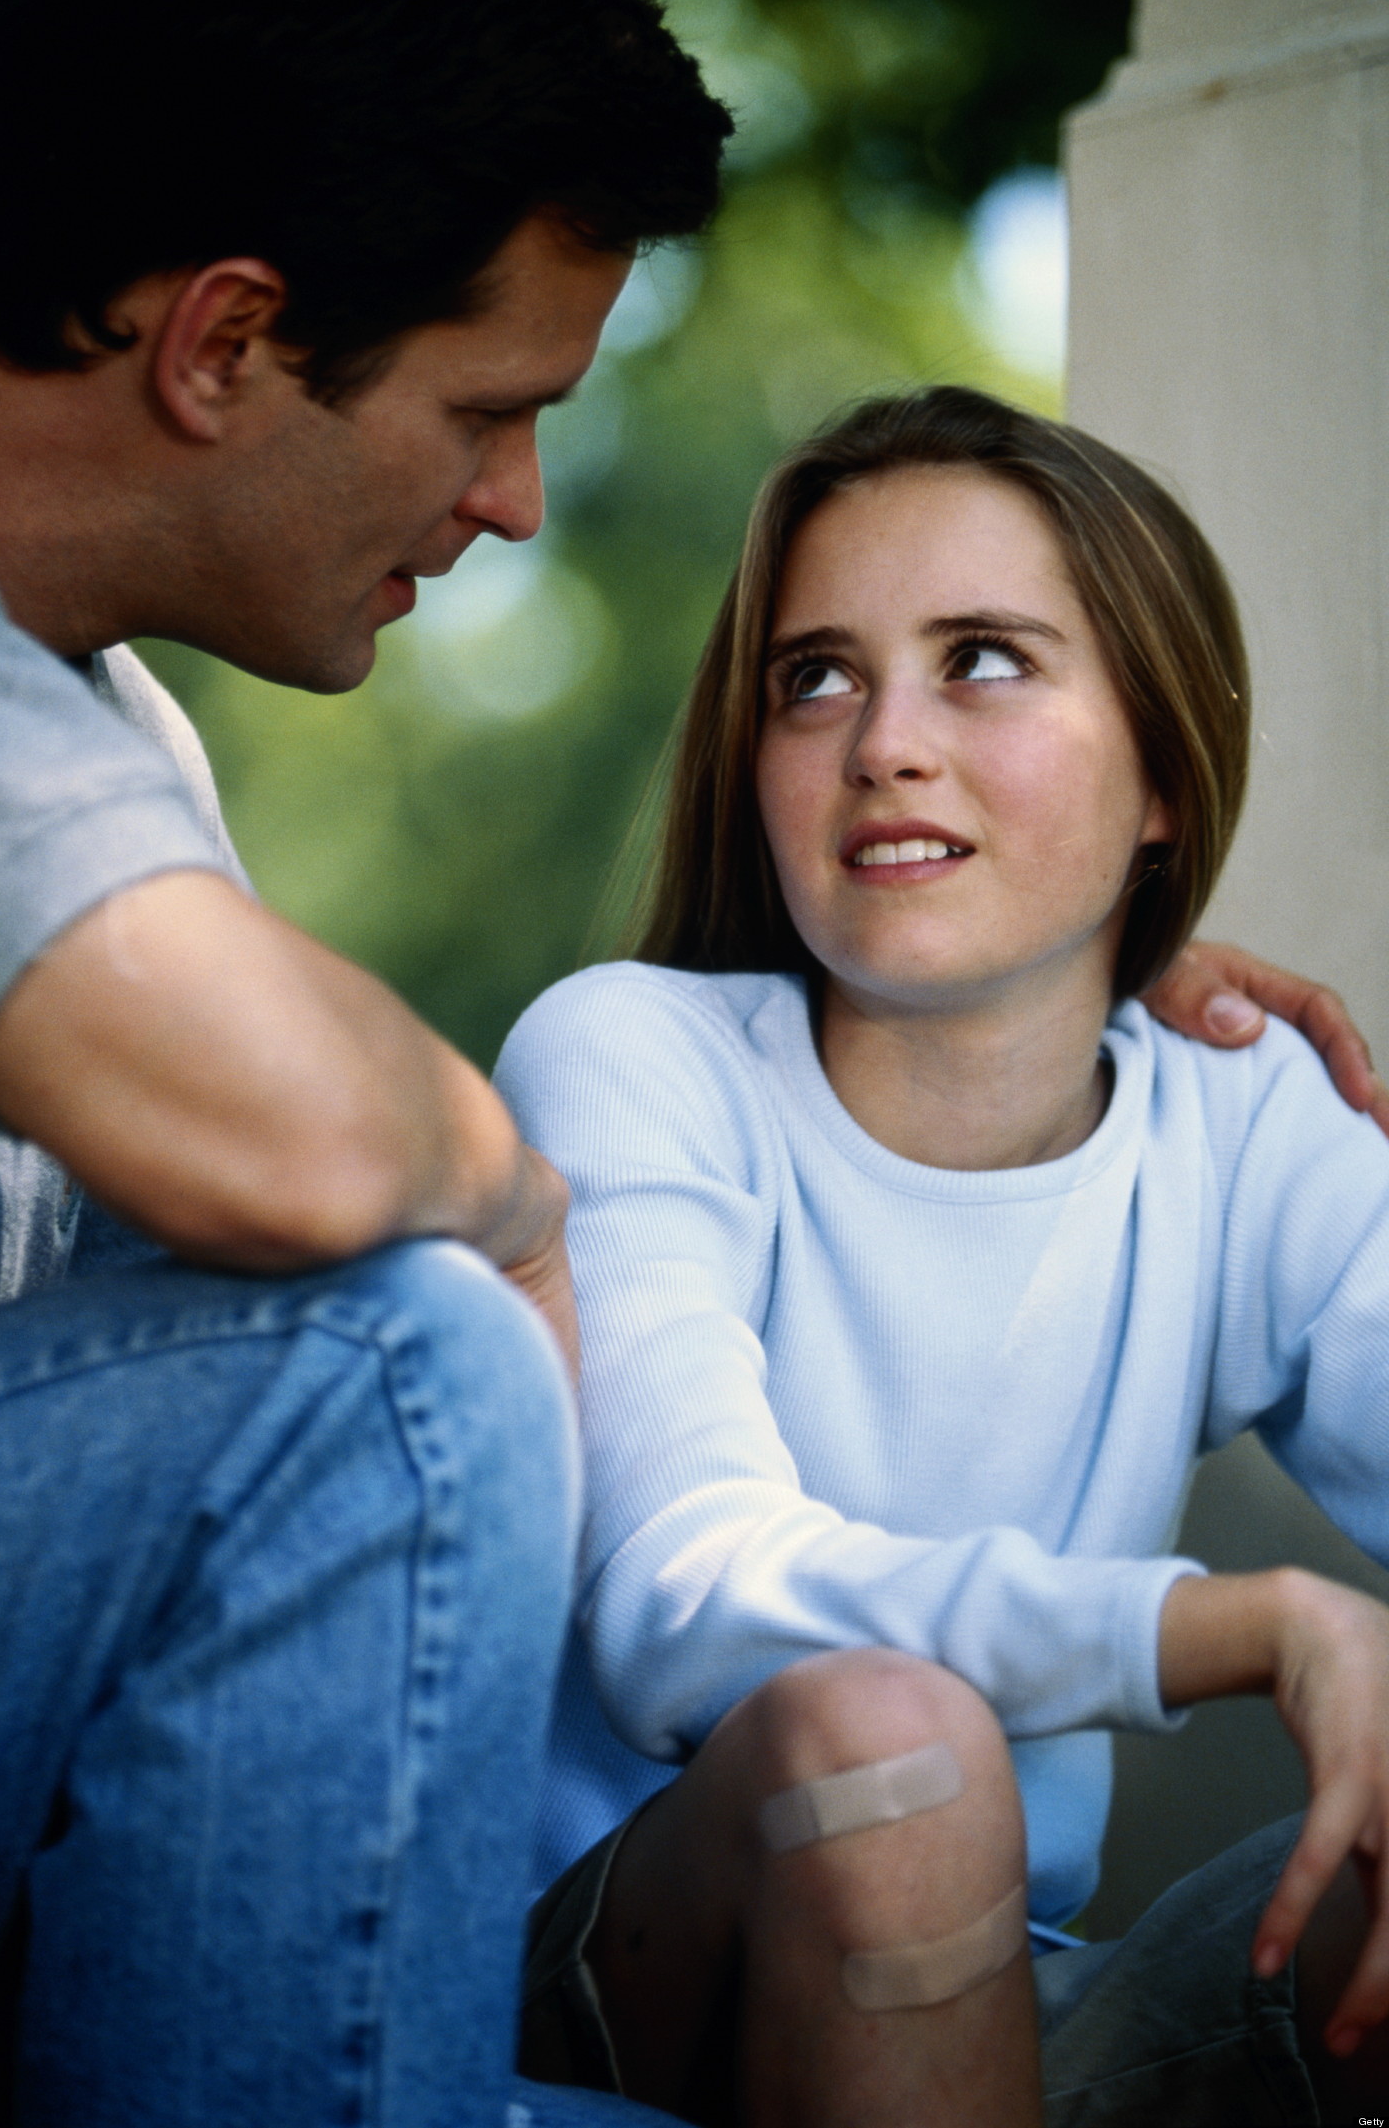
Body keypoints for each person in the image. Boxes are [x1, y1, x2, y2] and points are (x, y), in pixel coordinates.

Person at [0, 0, 735, 2119]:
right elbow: (327, 1159)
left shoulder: (105, 736)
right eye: (489, 407)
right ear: (230, 338)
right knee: (392, 1362)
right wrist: (516, 1200)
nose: (523, 500)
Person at [495, 386, 1389, 2125]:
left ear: (1160, 773)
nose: (884, 738)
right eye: (815, 675)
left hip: (1023, 2000)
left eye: (981, 656)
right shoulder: (634, 1057)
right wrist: (1242, 1623)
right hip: (628, 1964)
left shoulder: (1242, 1111)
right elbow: (686, 1606)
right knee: (886, 1750)